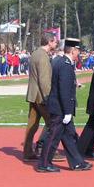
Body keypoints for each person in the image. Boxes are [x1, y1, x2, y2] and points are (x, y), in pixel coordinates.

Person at [37, 38, 92, 172]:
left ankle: (77, 162)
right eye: (78, 51)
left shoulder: (62, 62)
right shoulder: (65, 65)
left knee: (69, 137)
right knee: (53, 137)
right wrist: (67, 111)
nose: (79, 54)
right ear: (73, 51)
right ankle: (44, 164)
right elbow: (64, 90)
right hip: (60, 108)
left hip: (60, 106)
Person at [23, 31, 63, 162]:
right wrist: (48, 97)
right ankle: (52, 151)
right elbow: (44, 80)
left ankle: (28, 151)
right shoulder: (44, 57)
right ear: (49, 42)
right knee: (53, 124)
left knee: (32, 125)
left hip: (33, 94)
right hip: (41, 97)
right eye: (55, 41)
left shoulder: (35, 53)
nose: (56, 43)